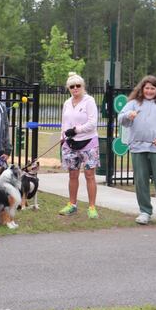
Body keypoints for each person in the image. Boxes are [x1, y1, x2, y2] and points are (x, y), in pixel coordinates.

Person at [118, 75, 156, 229]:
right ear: (142, 89)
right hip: (138, 148)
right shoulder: (133, 104)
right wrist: (128, 116)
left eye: (153, 88)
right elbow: (121, 119)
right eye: (147, 88)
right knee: (141, 181)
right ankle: (145, 212)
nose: (149, 91)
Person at [59, 72, 100, 219]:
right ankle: (72, 205)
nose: (75, 88)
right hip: (70, 144)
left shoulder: (89, 101)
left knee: (89, 175)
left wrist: (76, 130)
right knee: (73, 174)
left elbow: (92, 123)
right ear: (68, 88)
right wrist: (63, 137)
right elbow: (64, 123)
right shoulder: (67, 103)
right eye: (72, 86)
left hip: (88, 143)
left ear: (82, 86)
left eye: (78, 86)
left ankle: (92, 207)